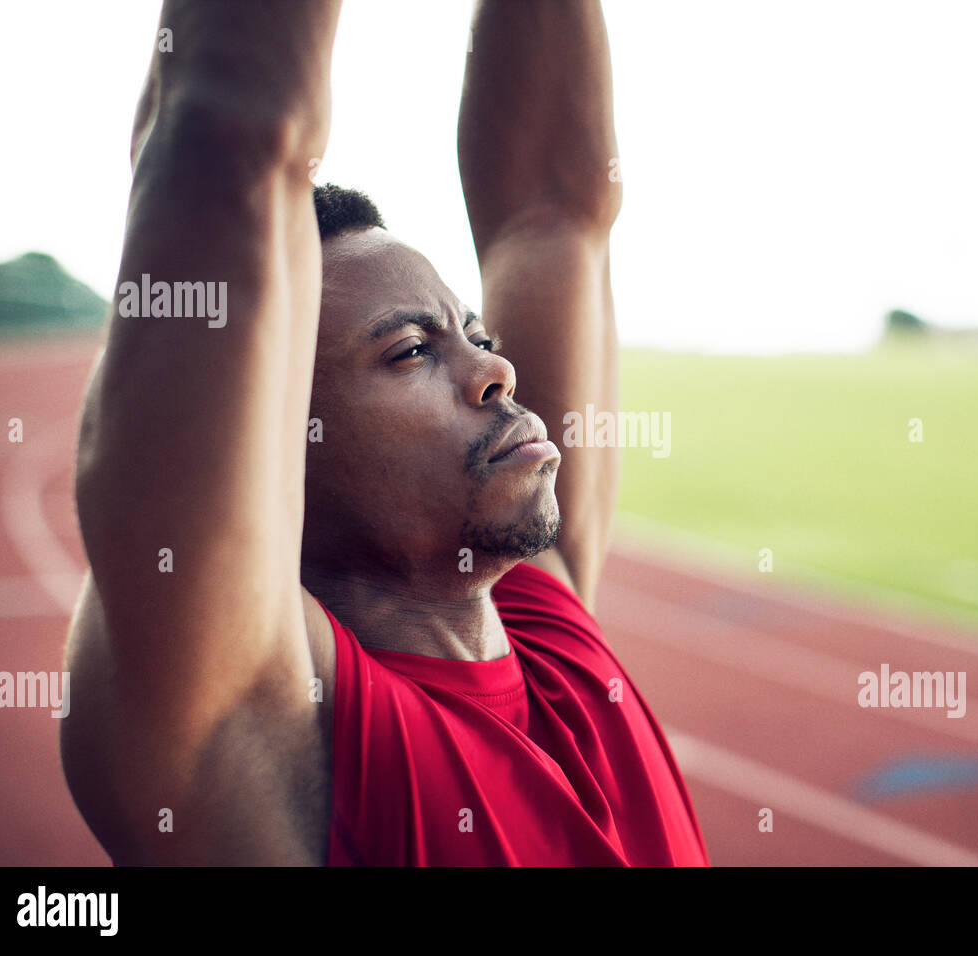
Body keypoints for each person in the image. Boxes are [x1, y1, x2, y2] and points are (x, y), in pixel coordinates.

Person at [60, 0, 709, 866]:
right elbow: (227, 135)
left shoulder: (543, 622)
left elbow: (551, 211)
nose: (497, 373)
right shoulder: (264, 730)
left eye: (479, 337)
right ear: (276, 448)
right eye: (410, 350)